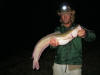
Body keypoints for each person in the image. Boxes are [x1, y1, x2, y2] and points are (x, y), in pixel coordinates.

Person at [50, 2, 96, 75]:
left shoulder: (78, 27)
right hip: (58, 64)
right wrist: (53, 45)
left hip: (75, 65)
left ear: (71, 15)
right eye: (63, 14)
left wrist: (85, 34)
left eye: (67, 14)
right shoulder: (57, 30)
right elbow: (51, 47)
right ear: (60, 16)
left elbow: (93, 36)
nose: (65, 16)